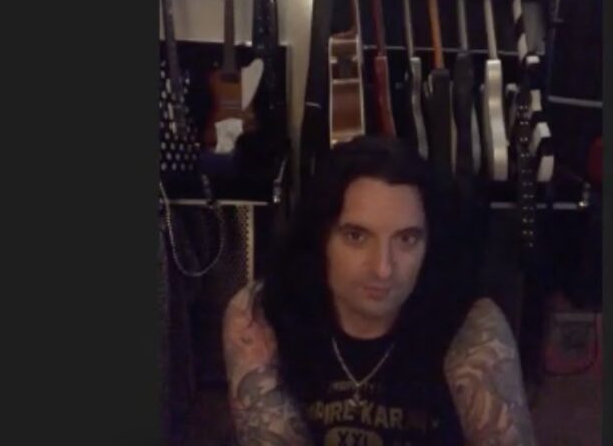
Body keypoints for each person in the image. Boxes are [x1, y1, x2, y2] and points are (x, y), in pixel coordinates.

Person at [223, 136, 537, 445]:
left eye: (406, 239)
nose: (383, 268)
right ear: (321, 238)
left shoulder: (470, 321)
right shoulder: (262, 310)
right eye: (357, 236)